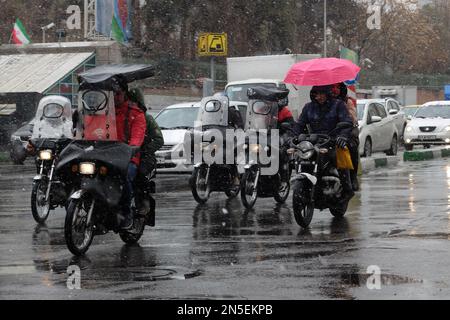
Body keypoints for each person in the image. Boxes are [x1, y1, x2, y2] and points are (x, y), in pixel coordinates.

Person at [293, 85, 354, 200]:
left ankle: (346, 189)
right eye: (316, 94)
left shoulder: (338, 105)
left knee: (339, 156)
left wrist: (342, 136)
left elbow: (346, 122)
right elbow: (300, 124)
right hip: (313, 141)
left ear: (328, 93)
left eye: (321, 94)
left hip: (332, 141)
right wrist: (294, 136)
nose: (319, 97)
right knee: (301, 156)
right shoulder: (308, 107)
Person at [113, 80, 147, 230]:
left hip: (127, 157)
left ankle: (125, 212)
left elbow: (138, 135)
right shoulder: (101, 112)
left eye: (117, 93)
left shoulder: (135, 113)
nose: (114, 97)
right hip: (103, 155)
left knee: (123, 176)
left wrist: (133, 147)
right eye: (111, 94)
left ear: (124, 93)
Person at [128, 88, 164, 223]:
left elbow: (159, 140)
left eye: (132, 101)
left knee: (140, 175)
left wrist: (143, 150)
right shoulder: (119, 117)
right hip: (122, 155)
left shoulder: (146, 118)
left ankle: (142, 202)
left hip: (143, 156)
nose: (130, 105)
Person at [331, 83, 360, 191]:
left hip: (345, 131)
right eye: (332, 87)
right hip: (328, 133)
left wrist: (344, 109)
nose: (335, 90)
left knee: (351, 146)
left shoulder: (347, 101)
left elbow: (352, 120)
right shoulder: (322, 101)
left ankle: (353, 177)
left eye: (337, 87)